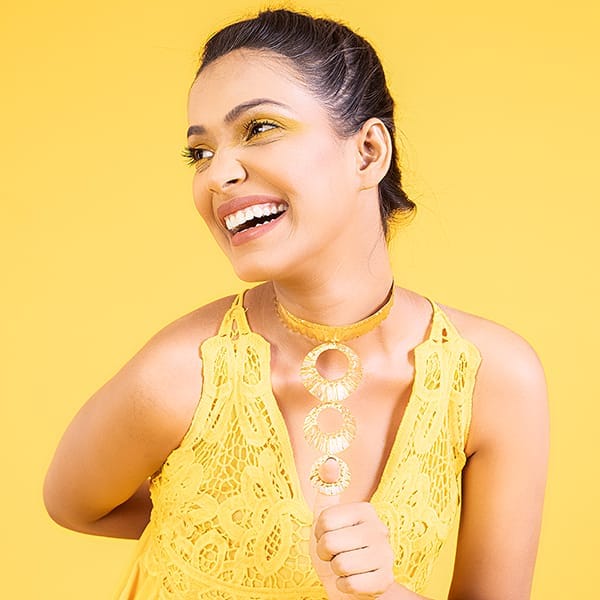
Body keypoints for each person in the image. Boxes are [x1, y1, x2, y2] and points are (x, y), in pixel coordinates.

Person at [43, 8, 549, 600]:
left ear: (367, 152)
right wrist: (213, 530)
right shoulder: (181, 374)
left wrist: (382, 593)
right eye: (199, 153)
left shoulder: (494, 380)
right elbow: (72, 504)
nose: (217, 175)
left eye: (259, 128)